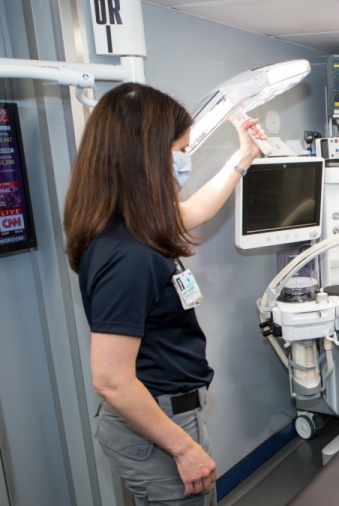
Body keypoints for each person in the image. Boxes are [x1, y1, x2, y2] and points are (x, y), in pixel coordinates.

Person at [64, 82, 265, 505]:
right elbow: (111, 380)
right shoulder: (127, 255)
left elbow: (196, 210)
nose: (184, 162)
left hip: (171, 412)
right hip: (157, 423)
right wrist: (183, 447)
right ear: (146, 157)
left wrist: (243, 156)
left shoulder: (137, 226)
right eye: (180, 150)